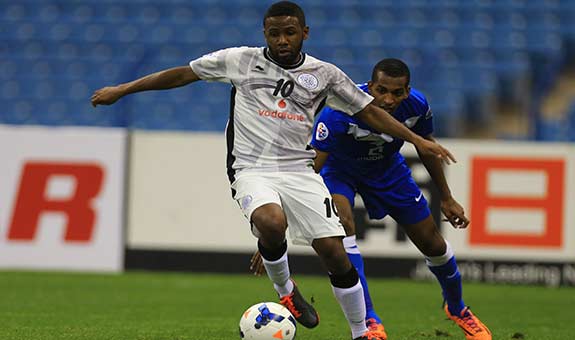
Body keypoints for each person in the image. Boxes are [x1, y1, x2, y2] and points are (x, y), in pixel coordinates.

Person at [90, 2, 455, 340]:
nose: (282, 40)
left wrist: (416, 140)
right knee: (270, 222)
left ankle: (361, 332)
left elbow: (368, 110)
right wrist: (122, 89)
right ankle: (287, 292)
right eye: (274, 33)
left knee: (334, 251)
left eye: (290, 32)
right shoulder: (239, 60)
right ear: (265, 33)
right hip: (251, 168)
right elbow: (182, 74)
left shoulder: (324, 74)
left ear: (304, 33)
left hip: (299, 170)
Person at [253, 58, 492, 340]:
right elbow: (312, 168)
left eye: (397, 92)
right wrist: (276, 233)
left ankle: (458, 309)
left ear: (408, 90)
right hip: (340, 172)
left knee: (433, 244)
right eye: (382, 90)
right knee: (344, 224)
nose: (389, 99)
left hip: (388, 171)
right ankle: (369, 322)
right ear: (370, 86)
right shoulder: (339, 110)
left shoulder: (417, 105)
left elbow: (426, 148)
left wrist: (447, 198)